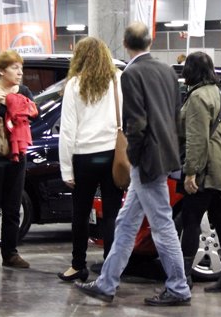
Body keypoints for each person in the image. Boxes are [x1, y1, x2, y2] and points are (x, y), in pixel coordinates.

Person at [75, 22, 191, 306]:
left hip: (146, 160)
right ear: (150, 43)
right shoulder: (166, 70)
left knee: (161, 224)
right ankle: (106, 282)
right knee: (126, 223)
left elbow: (135, 123)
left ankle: (178, 287)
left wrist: (136, 158)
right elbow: (177, 116)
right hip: (163, 156)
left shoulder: (132, 73)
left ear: (125, 44)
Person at [57, 37, 125, 282]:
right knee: (112, 214)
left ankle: (78, 265)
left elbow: (67, 130)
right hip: (111, 155)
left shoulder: (74, 84)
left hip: (83, 157)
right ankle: (110, 272)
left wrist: (66, 169)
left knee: (81, 214)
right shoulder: (117, 79)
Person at [179, 51, 221, 293]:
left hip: (208, 169)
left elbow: (197, 139)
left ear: (190, 72)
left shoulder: (197, 98)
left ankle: (183, 277)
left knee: (191, 219)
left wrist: (191, 172)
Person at [0, 50, 35, 269]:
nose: (20, 72)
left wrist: (12, 100)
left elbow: (33, 111)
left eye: (21, 67)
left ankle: (10, 253)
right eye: (14, 68)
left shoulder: (23, 91)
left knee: (13, 207)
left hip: (16, 154)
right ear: (1, 71)